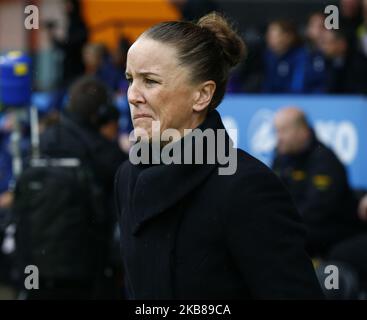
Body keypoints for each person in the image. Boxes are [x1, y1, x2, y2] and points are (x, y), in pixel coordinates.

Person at [114, 12, 324, 299]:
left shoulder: (246, 186)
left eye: (150, 81)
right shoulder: (127, 176)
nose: (132, 95)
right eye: (130, 79)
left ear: (201, 95)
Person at [14, 76, 128, 299]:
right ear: (102, 114)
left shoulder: (42, 142)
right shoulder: (105, 153)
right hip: (85, 273)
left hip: (34, 268)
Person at [272, 107, 365, 257]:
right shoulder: (281, 158)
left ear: (302, 132)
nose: (279, 138)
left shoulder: (324, 161)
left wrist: (283, 224)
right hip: (297, 225)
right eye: (276, 131)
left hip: (330, 229)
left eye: (283, 131)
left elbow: (316, 210)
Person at [262, 20, 307, 93]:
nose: (268, 38)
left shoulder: (301, 57)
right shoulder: (267, 56)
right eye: (268, 35)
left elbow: (298, 87)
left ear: (288, 37)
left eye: (273, 35)